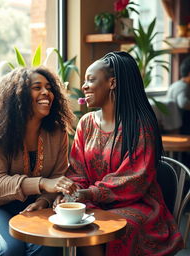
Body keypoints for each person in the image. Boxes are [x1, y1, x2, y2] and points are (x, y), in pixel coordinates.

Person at [55, 51, 184, 256]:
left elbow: (134, 179)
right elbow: (77, 172)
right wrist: (70, 194)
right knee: (78, 223)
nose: (84, 86)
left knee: (110, 227)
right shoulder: (86, 124)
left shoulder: (140, 125)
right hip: (94, 202)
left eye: (91, 80)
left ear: (112, 83)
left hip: (137, 204)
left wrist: (87, 193)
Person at [0, 66, 77, 256]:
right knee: (10, 250)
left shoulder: (58, 130)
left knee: (48, 247)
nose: (46, 92)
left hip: (35, 206)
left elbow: (58, 176)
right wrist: (42, 183)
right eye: (37, 87)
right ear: (18, 95)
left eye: (49, 88)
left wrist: (44, 200)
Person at [167, 55, 190, 134]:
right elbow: (183, 103)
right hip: (180, 126)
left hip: (171, 124)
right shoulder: (184, 86)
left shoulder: (175, 84)